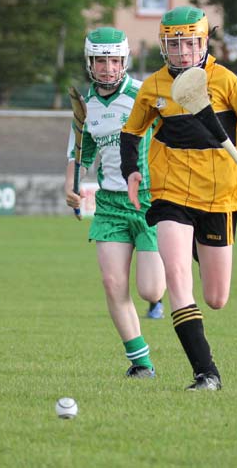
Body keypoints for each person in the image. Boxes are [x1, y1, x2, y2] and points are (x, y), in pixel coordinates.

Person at [120, 6, 237, 390]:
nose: (184, 52)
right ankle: (206, 373)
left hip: (220, 198)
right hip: (170, 193)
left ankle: (198, 247)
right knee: (176, 278)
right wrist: (132, 171)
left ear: (205, 42)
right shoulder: (153, 86)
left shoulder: (227, 82)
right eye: (175, 44)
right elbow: (131, 133)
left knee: (216, 297)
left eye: (191, 42)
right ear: (164, 47)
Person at [65, 27, 166, 379]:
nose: (107, 67)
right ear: (90, 62)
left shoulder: (145, 94)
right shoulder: (86, 106)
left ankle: (165, 287)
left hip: (151, 199)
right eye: (100, 60)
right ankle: (141, 362)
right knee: (113, 284)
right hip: (109, 204)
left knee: (150, 289)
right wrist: (71, 186)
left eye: (114, 60)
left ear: (124, 60)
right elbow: (81, 151)